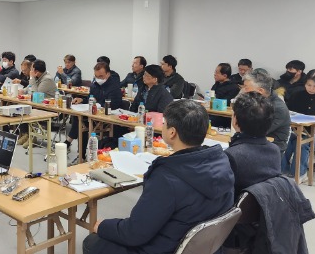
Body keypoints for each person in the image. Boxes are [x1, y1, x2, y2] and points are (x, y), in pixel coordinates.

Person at [83, 100, 234, 254]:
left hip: (166, 248)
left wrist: (103, 226)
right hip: (204, 246)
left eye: (164, 123)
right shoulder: (221, 162)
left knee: (93, 242)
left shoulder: (167, 178)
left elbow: (134, 234)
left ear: (172, 132)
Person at [225, 92, 281, 197]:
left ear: (235, 121)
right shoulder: (275, 150)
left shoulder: (231, 155)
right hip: (264, 207)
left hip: (239, 209)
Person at [65, 62, 122, 158]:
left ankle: (70, 143)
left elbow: (113, 105)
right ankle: (80, 154)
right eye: (96, 76)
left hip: (107, 118)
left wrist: (97, 104)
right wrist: (82, 100)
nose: (98, 78)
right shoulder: (95, 84)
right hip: (94, 115)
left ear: (108, 74)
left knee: (81, 121)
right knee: (79, 118)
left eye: (101, 76)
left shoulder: (114, 87)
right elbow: (90, 98)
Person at [241, 71, 291, 153]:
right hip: (254, 141)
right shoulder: (255, 101)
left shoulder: (278, 108)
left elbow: (259, 131)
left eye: (246, 88)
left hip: (272, 147)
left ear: (260, 91)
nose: (244, 91)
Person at [17, 60, 56, 146]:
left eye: (31, 69)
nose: (30, 71)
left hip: (48, 108)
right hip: (38, 105)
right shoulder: (39, 77)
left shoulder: (47, 79)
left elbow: (35, 94)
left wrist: (31, 78)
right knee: (20, 107)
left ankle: (32, 137)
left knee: (26, 109)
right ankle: (25, 134)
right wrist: (22, 91)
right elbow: (29, 88)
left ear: (36, 72)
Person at [210, 63, 241, 128]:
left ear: (224, 75)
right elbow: (211, 97)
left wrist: (214, 100)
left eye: (217, 72)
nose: (214, 74)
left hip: (223, 116)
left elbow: (226, 103)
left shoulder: (234, 88)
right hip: (212, 111)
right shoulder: (216, 84)